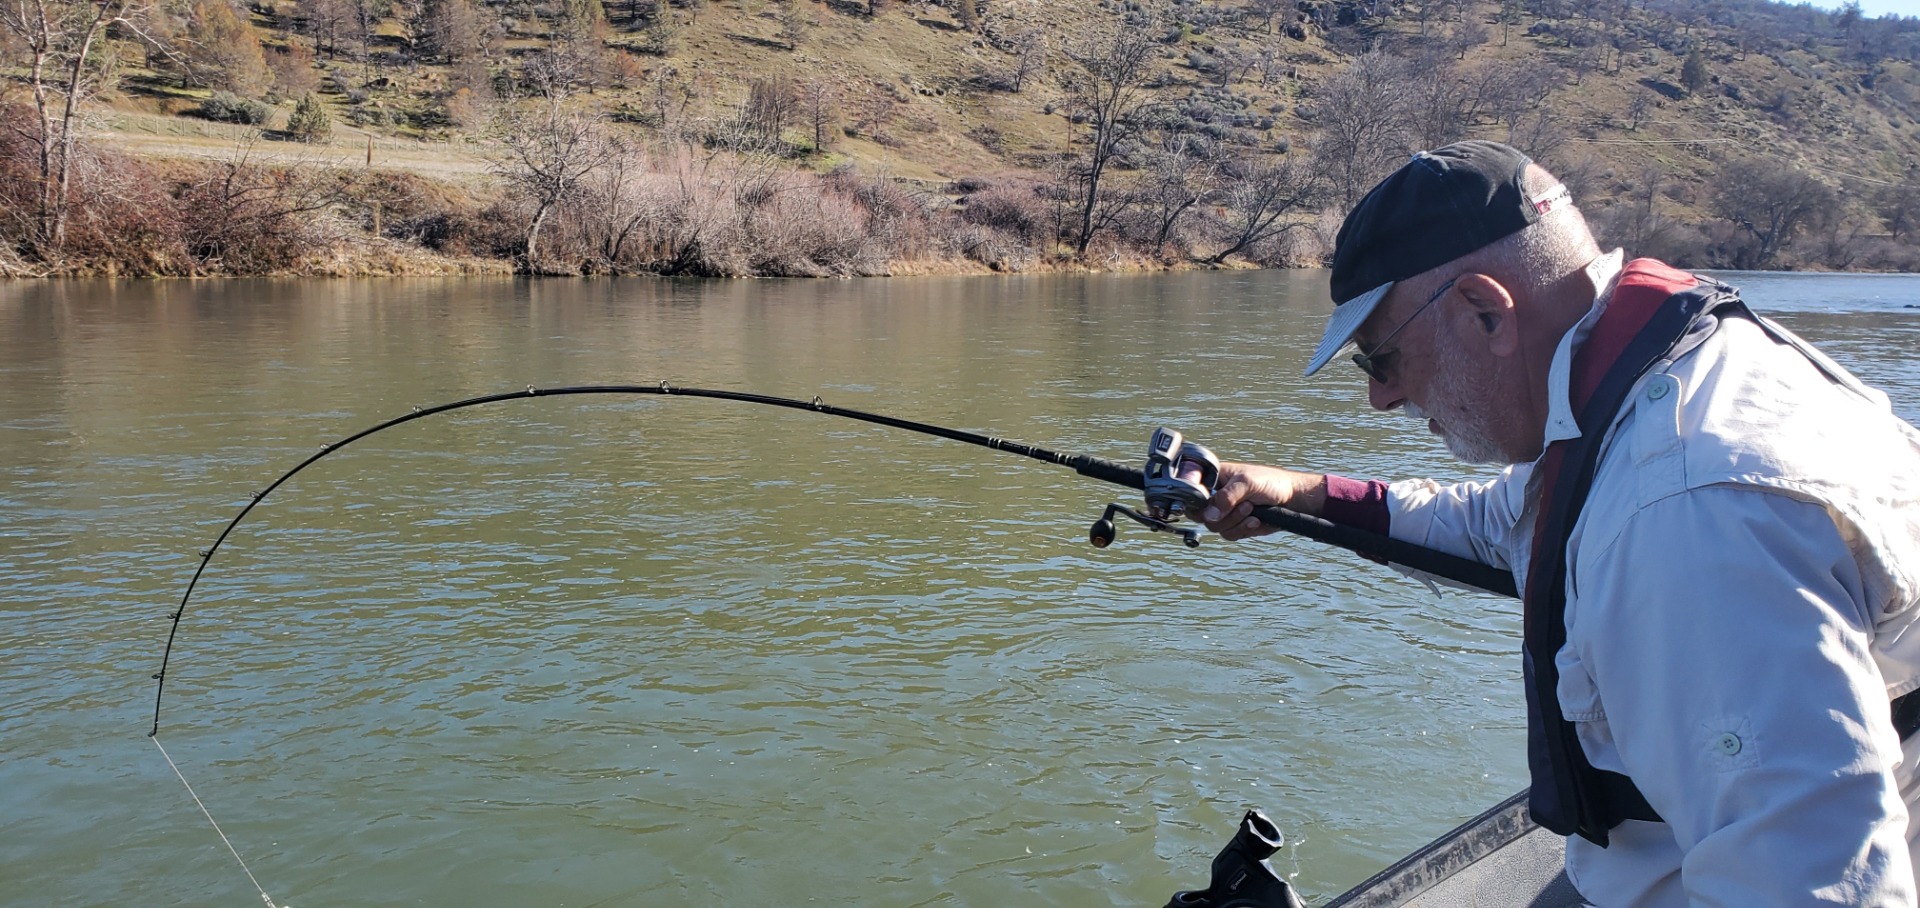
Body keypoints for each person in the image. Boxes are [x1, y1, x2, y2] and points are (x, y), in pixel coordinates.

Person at [1197, 140, 1920, 905]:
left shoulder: (1689, 521)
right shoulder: (1655, 372)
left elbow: (1816, 887)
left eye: (1382, 359)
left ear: (1484, 311)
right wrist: (1304, 493)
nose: (1382, 398)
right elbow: (1495, 525)